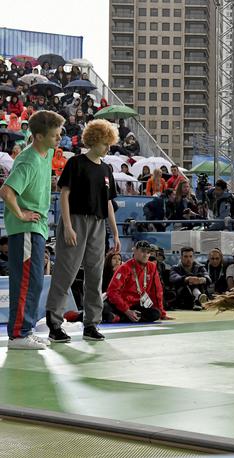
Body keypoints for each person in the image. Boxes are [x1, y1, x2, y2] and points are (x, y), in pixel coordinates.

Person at [45, 119, 121, 343]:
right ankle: (54, 324)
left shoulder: (107, 169)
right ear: (96, 140)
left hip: (98, 225)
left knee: (95, 276)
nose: (109, 148)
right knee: (65, 273)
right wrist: (67, 225)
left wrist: (115, 233)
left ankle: (91, 323)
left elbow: (108, 203)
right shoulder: (76, 163)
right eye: (107, 143)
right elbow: (65, 195)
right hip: (76, 221)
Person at [0, 111, 64, 350]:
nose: (59, 138)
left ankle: (25, 330)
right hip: (26, 229)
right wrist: (21, 214)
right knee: (26, 280)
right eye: (54, 134)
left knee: (35, 280)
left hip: (37, 228)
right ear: (38, 136)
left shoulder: (45, 153)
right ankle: (18, 335)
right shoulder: (28, 160)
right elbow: (6, 192)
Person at [105, 240, 167, 323]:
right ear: (134, 251)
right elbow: (112, 292)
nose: (146, 255)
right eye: (143, 251)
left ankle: (118, 318)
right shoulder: (125, 268)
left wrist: (162, 313)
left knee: (156, 313)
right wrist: (127, 310)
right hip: (120, 304)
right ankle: (121, 317)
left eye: (148, 252)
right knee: (103, 307)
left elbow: (157, 292)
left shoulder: (152, 267)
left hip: (137, 305)